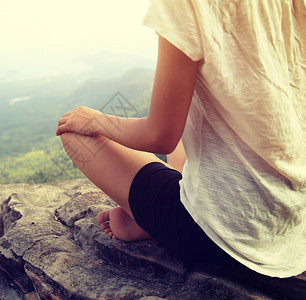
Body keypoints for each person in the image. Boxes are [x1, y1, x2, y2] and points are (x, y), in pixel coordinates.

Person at [56, 0, 305, 278]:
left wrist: (96, 120)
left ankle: (150, 219)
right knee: (187, 114)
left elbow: (160, 136)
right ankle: (155, 210)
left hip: (224, 233)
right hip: (292, 222)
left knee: (75, 133)